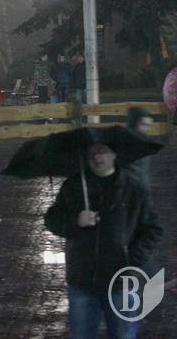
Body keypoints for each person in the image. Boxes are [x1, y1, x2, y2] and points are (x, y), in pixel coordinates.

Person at [44, 143, 162, 339]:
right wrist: (76, 220)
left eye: (103, 152)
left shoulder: (133, 189)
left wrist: (131, 258)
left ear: (114, 154)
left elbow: (153, 229)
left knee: (123, 334)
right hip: (83, 281)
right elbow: (52, 220)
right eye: (92, 153)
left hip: (121, 282)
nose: (97, 158)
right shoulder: (74, 186)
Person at [127, 107, 155, 190]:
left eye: (149, 126)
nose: (147, 129)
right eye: (143, 125)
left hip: (142, 190)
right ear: (134, 123)